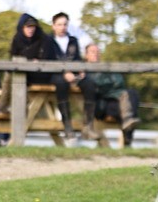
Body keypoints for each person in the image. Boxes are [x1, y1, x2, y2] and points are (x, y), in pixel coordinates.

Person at [43, 12, 92, 140]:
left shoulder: (73, 41)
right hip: (55, 75)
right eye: (59, 24)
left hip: (73, 74)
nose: (62, 27)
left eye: (65, 24)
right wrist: (64, 73)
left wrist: (80, 70)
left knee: (90, 84)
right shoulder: (47, 41)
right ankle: (67, 126)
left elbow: (76, 59)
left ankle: (88, 125)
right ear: (53, 26)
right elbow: (48, 61)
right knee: (61, 83)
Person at [83, 44, 139, 145]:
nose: (96, 54)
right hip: (102, 105)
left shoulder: (106, 67)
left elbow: (120, 82)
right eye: (92, 51)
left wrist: (107, 86)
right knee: (128, 102)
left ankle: (128, 124)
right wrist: (109, 86)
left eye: (97, 51)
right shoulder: (83, 71)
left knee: (132, 93)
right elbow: (100, 86)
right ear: (86, 55)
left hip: (117, 101)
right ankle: (128, 135)